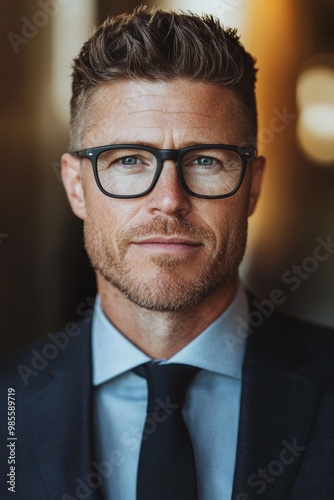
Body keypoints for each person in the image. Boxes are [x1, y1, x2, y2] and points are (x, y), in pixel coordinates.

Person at [1, 6, 333, 500]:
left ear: (254, 187)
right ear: (76, 187)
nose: (170, 200)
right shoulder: (9, 400)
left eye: (205, 160)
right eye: (130, 160)